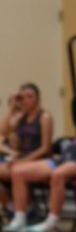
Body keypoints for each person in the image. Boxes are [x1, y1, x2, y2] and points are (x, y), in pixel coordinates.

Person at [6, 84, 76, 232]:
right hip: (65, 158)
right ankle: (20, 219)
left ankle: (51, 222)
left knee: (58, 174)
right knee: (18, 171)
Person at [0, 84, 52, 215]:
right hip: (21, 159)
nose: (26, 100)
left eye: (30, 97)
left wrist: (24, 161)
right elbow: (3, 132)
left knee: (18, 171)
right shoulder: (20, 117)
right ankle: (11, 206)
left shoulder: (45, 117)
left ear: (38, 98)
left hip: (38, 159)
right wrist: (11, 108)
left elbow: (45, 148)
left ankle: (27, 208)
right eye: (23, 97)